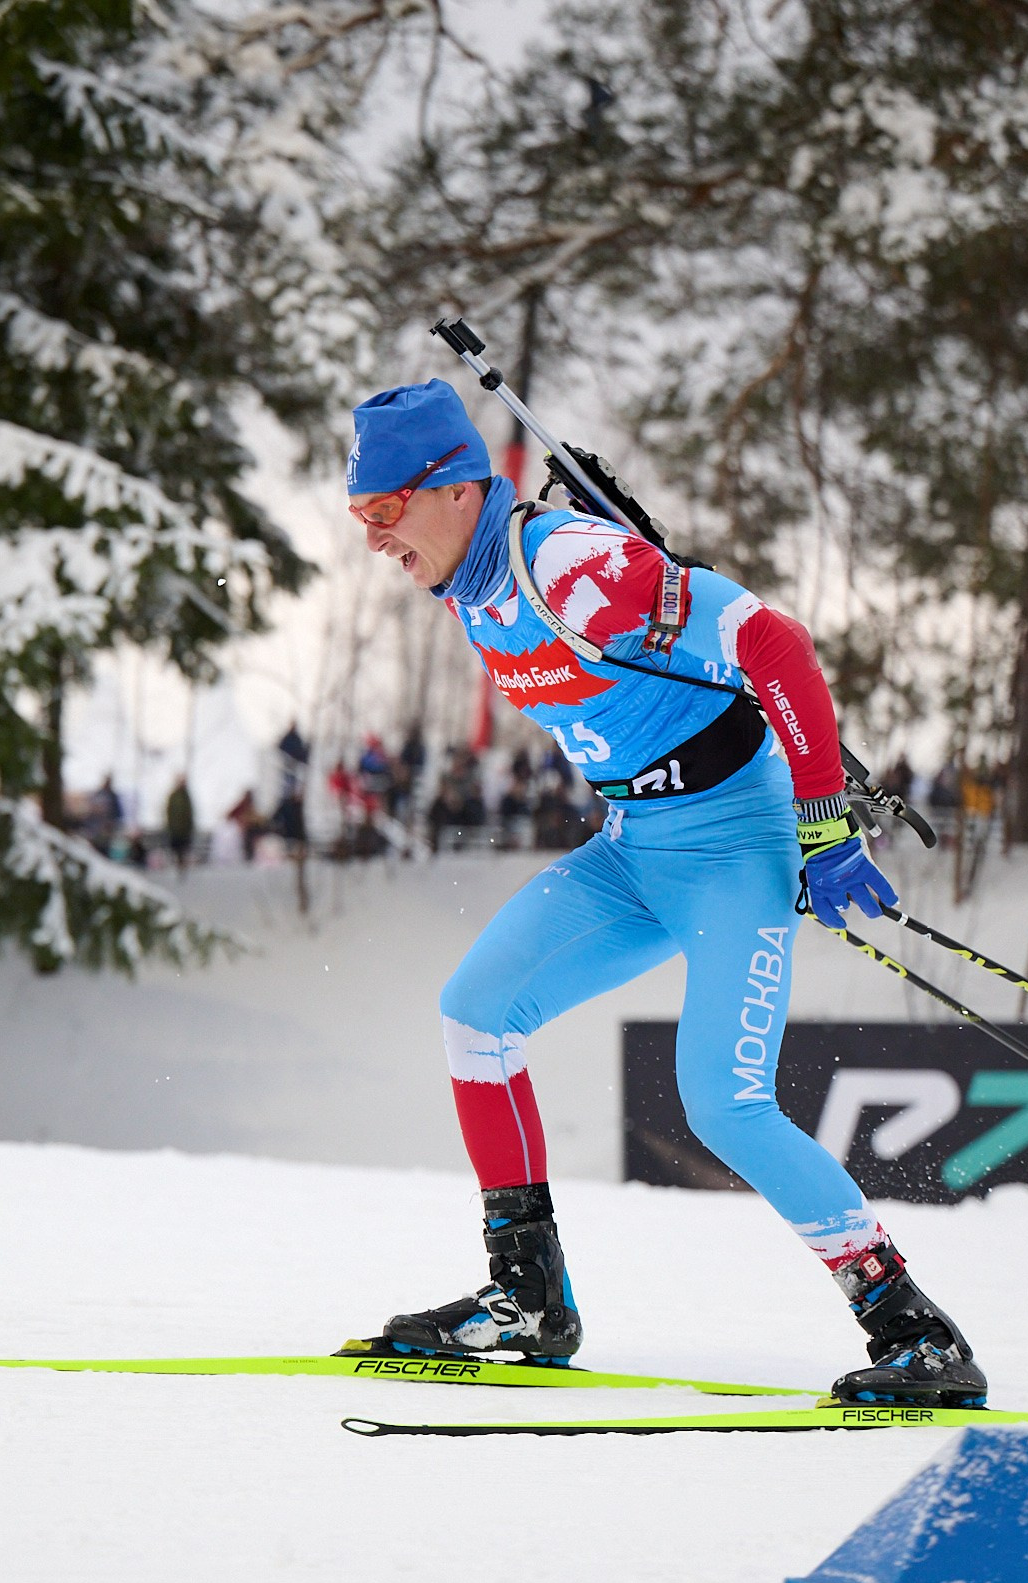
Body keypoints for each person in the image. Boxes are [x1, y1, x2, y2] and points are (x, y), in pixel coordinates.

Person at [342, 377, 986, 1407]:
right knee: (475, 1016)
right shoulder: (474, 585)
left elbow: (773, 646)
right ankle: (528, 1300)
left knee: (723, 1104)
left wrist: (821, 825)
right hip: (637, 846)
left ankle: (916, 1334)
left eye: (384, 510)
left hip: (735, 846)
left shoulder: (564, 563)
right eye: (358, 516)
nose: (374, 537)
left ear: (457, 488)